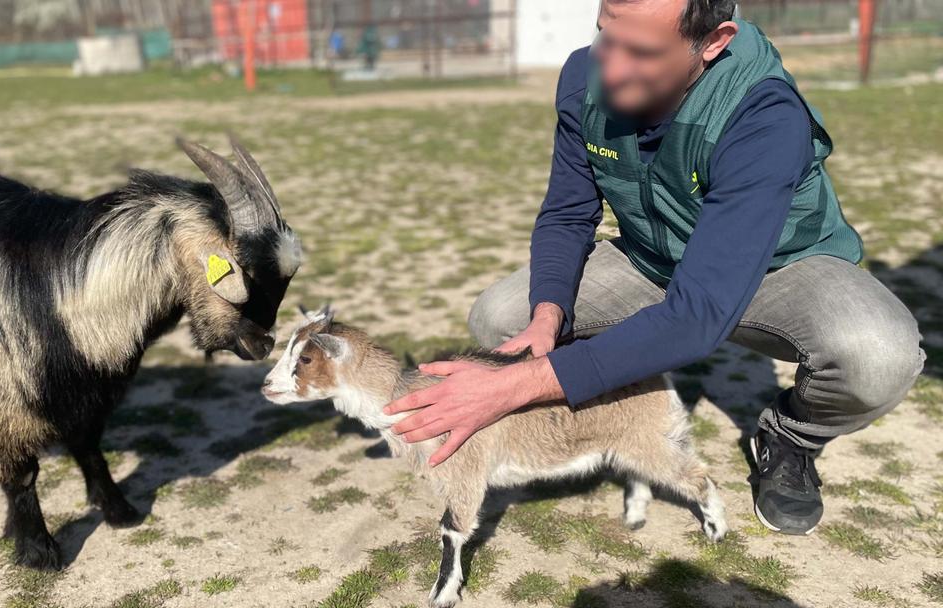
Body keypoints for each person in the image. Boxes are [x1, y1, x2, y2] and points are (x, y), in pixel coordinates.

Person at [384, 0, 924, 536]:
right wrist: (547, 317)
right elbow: (568, 213)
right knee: (502, 317)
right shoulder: (584, 77)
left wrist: (515, 387)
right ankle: (601, 421)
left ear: (713, 42)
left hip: (778, 267)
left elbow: (698, 314)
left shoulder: (763, 115)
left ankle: (790, 437)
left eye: (641, 53)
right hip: (654, 258)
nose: (612, 69)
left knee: (879, 357)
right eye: (606, 36)